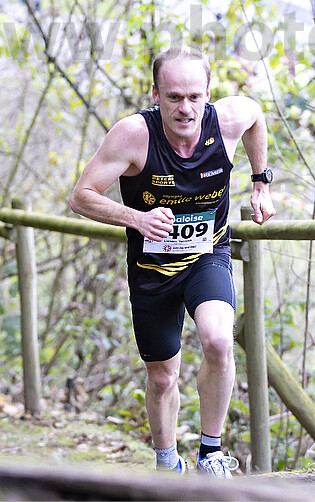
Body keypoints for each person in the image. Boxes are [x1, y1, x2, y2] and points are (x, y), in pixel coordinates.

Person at [69, 46, 275, 478]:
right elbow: (81, 197)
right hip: (152, 269)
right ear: (156, 94)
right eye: (174, 97)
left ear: (207, 94)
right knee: (163, 377)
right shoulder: (133, 135)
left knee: (218, 341)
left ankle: (211, 454)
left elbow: (256, 115)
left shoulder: (227, 121)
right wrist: (136, 218)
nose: (186, 109)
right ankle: (167, 462)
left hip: (207, 256)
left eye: (195, 97)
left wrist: (260, 183)